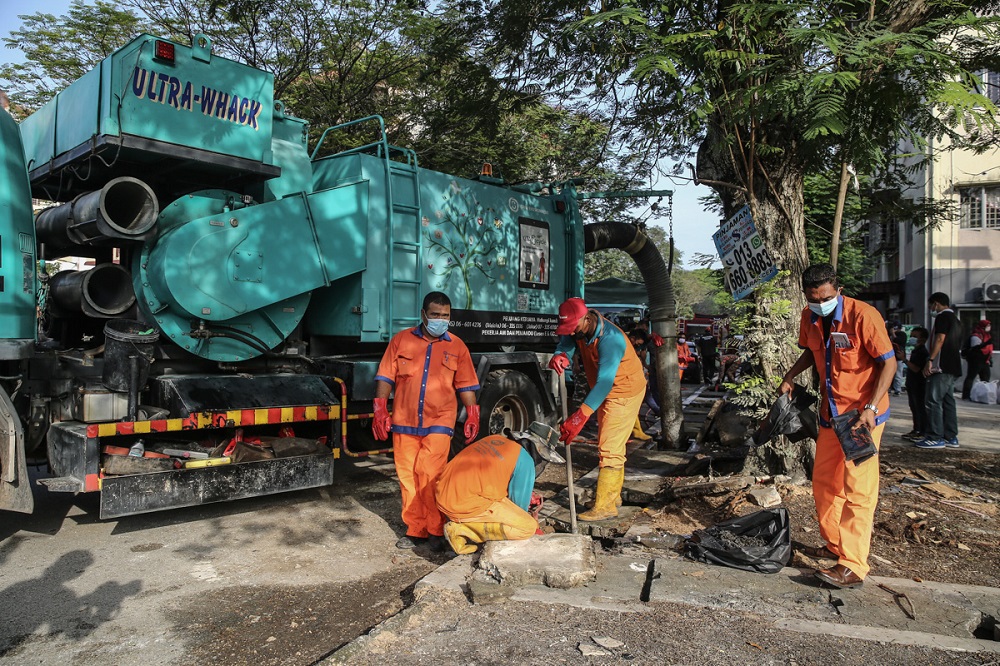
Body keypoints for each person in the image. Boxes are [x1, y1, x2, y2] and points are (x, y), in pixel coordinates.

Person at [778, 263, 896, 589]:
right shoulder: (809, 317)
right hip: (831, 415)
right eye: (814, 298)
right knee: (825, 482)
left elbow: (889, 363)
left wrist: (871, 408)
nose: (820, 303)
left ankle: (853, 565)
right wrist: (790, 376)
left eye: (826, 297)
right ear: (806, 295)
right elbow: (810, 353)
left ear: (837, 289)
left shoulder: (864, 316)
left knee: (859, 488)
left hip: (861, 418)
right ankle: (836, 545)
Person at [373, 291, 481, 550]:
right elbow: (386, 376)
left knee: (430, 473)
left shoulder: (457, 346)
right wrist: (380, 408)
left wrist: (473, 412)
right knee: (408, 476)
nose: (440, 320)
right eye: (435, 315)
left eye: (445, 316)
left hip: (439, 420)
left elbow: (465, 384)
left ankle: (435, 529)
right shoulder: (401, 341)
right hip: (404, 420)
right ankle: (415, 530)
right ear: (423, 315)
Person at [548, 297, 645, 521]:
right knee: (608, 442)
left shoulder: (611, 340)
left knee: (609, 447)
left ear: (588, 319)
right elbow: (566, 342)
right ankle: (612, 496)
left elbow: (605, 382)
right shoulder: (578, 327)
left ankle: (605, 507)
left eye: (574, 329)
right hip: (604, 390)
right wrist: (560, 355)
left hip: (624, 391)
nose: (572, 333)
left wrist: (580, 416)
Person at [436, 422, 562, 554]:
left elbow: (491, 476)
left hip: (443, 491)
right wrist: (532, 519)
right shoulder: (526, 461)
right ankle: (461, 530)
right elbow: (519, 508)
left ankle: (462, 522)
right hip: (462, 504)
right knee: (527, 527)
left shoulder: (495, 439)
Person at [916, 293, 963, 449]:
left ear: (936, 304)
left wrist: (930, 360)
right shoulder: (956, 320)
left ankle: (935, 436)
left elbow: (940, 339)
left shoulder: (942, 318)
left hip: (941, 366)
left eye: (931, 305)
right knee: (948, 401)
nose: (931, 309)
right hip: (953, 366)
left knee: (933, 400)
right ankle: (951, 436)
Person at [902, 327, 930, 442]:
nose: (912, 339)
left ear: (922, 339)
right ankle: (916, 429)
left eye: (915, 336)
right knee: (913, 407)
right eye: (911, 336)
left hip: (919, 383)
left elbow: (916, 368)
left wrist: (904, 360)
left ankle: (922, 431)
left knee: (919, 407)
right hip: (912, 383)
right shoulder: (915, 350)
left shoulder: (922, 352)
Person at [961, 319, 993, 400]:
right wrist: (986, 344)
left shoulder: (987, 336)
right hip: (975, 360)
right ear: (983, 326)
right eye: (987, 326)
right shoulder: (976, 335)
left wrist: (990, 359)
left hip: (985, 360)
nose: (989, 327)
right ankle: (966, 396)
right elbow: (975, 348)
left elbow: (988, 349)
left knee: (985, 378)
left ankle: (983, 396)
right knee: (971, 377)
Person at [887, 322, 907, 395]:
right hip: (890, 356)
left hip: (899, 356)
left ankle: (897, 389)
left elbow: (899, 341)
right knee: (889, 373)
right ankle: (889, 388)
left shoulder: (902, 334)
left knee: (898, 373)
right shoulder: (888, 335)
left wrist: (893, 334)